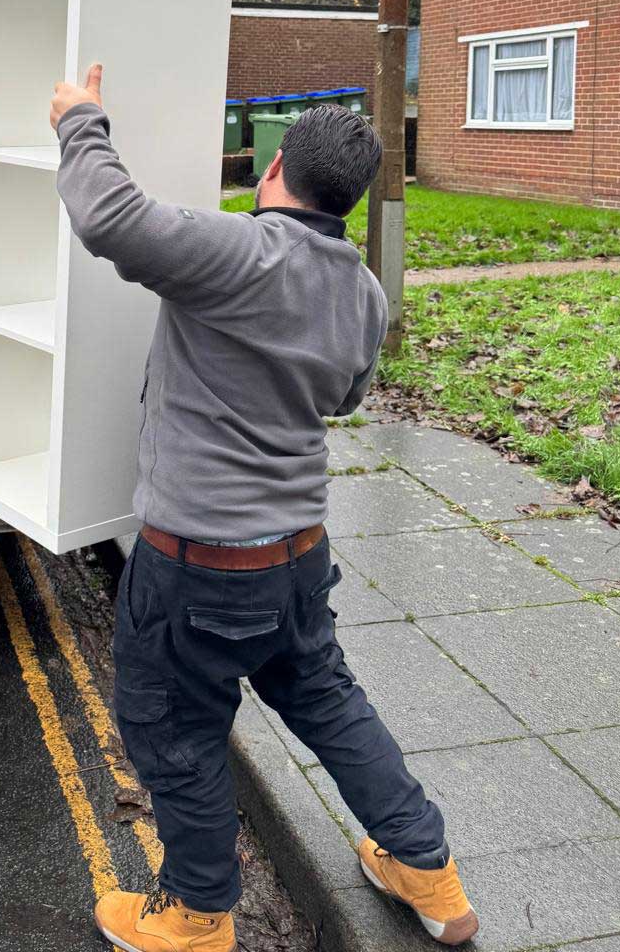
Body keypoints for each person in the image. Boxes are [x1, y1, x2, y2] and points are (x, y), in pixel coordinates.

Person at [50, 69, 478, 951]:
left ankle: (199, 917)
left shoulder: (239, 251)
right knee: (328, 702)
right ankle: (426, 869)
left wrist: (79, 119)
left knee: (172, 729)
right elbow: (349, 397)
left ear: (275, 167)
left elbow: (110, 217)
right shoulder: (362, 292)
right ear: (349, 198)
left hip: (198, 568)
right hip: (294, 558)